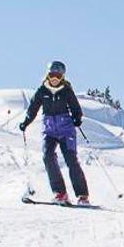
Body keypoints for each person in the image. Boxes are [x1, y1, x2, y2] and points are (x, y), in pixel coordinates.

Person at [21, 60, 89, 204]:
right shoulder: (42, 91)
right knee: (47, 156)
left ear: (62, 77)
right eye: (52, 75)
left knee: (71, 159)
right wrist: (26, 122)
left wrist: (77, 118)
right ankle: (60, 193)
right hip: (49, 130)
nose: (55, 79)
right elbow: (33, 108)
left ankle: (82, 195)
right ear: (47, 75)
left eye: (58, 76)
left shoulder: (66, 91)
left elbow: (75, 108)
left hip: (66, 130)